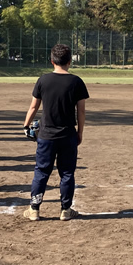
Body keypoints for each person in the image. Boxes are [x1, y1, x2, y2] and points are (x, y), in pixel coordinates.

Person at [23, 44, 89, 221]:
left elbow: (33, 106)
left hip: (46, 135)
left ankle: (34, 209)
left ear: (52, 61)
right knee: (67, 173)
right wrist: (80, 132)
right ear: (69, 62)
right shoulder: (76, 82)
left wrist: (26, 126)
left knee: (41, 172)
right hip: (68, 135)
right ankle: (65, 210)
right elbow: (81, 111)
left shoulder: (43, 80)